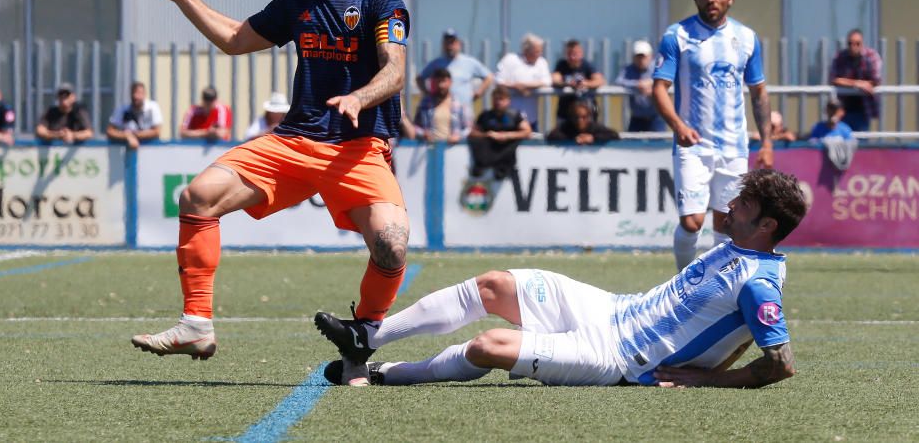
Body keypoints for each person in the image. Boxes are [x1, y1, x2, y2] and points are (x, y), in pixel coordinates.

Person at [133, 0, 411, 389]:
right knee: (197, 196)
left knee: (391, 245)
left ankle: (361, 339)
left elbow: (396, 69)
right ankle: (196, 325)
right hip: (294, 141)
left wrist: (358, 98)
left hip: (358, 148)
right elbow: (236, 39)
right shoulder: (297, 0)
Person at [322, 170, 806, 390]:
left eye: (745, 205)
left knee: (490, 344)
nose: (733, 206)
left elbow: (779, 363)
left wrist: (709, 382)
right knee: (493, 284)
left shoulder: (760, 283)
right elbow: (735, 332)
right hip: (613, 309)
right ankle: (368, 337)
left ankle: (387, 374)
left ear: (766, 226)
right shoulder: (738, 246)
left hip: (616, 356)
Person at [652, 0, 773, 271]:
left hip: (733, 146)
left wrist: (768, 144)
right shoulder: (677, 35)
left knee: (728, 224)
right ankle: (681, 284)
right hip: (694, 146)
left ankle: (717, 291)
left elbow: (758, 93)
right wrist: (678, 125)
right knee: (692, 222)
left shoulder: (746, 39)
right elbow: (659, 88)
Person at [466, 85, 533, 179]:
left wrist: (507, 136)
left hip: (506, 152)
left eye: (501, 99)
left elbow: (527, 131)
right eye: (495, 99)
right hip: (488, 151)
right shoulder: (485, 116)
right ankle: (481, 167)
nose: (498, 102)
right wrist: (487, 134)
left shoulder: (514, 115)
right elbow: (472, 133)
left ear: (508, 101)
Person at [416, 29, 493, 106]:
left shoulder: (469, 62)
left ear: (458, 43)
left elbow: (489, 77)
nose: (450, 46)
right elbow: (420, 78)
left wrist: (478, 93)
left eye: (452, 42)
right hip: (443, 111)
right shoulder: (437, 63)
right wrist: (427, 93)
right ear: (443, 44)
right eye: (447, 43)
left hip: (464, 110)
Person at [495, 33, 551, 130]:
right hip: (509, 118)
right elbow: (498, 80)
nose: (539, 54)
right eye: (537, 51)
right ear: (527, 50)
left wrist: (524, 86)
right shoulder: (510, 59)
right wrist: (515, 86)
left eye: (540, 51)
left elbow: (547, 82)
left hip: (531, 119)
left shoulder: (541, 62)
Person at [829, 29, 882, 132]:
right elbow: (833, 79)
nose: (853, 47)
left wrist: (848, 82)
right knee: (842, 142)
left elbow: (876, 80)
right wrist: (858, 84)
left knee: (861, 145)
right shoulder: (840, 57)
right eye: (850, 43)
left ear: (862, 44)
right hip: (843, 110)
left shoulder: (871, 56)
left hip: (863, 110)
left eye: (857, 43)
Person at [614, 40, 665, 133]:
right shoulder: (628, 69)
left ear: (650, 56)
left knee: (658, 145)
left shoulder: (658, 68)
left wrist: (651, 85)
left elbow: (667, 80)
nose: (641, 60)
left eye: (643, 57)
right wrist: (637, 84)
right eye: (638, 57)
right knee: (632, 145)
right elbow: (618, 81)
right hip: (637, 118)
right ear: (633, 57)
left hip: (656, 117)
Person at [412, 68, 472, 143]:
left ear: (450, 82)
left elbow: (468, 129)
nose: (441, 85)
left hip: (454, 150)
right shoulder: (425, 104)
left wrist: (458, 136)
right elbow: (415, 126)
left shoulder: (459, 105)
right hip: (430, 149)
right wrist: (423, 134)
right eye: (438, 82)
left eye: (443, 81)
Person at [552, 39, 605, 123]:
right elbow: (554, 79)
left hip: (585, 115)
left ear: (581, 53)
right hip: (565, 114)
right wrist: (568, 84)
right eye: (569, 54)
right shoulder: (561, 65)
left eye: (574, 54)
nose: (572, 57)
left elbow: (600, 81)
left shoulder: (587, 65)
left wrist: (585, 83)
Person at [107, 81, 163, 149]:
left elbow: (157, 131)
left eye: (139, 93)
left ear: (144, 94)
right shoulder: (122, 110)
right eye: (134, 93)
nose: (136, 96)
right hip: (127, 151)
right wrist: (126, 136)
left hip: (151, 149)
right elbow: (110, 131)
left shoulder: (152, 107)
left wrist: (134, 135)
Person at [546, 101, 619, 145]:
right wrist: (574, 139)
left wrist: (593, 138)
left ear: (588, 117)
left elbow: (614, 135)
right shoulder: (567, 126)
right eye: (577, 117)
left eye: (584, 117)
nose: (580, 120)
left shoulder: (594, 127)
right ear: (572, 117)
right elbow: (551, 136)